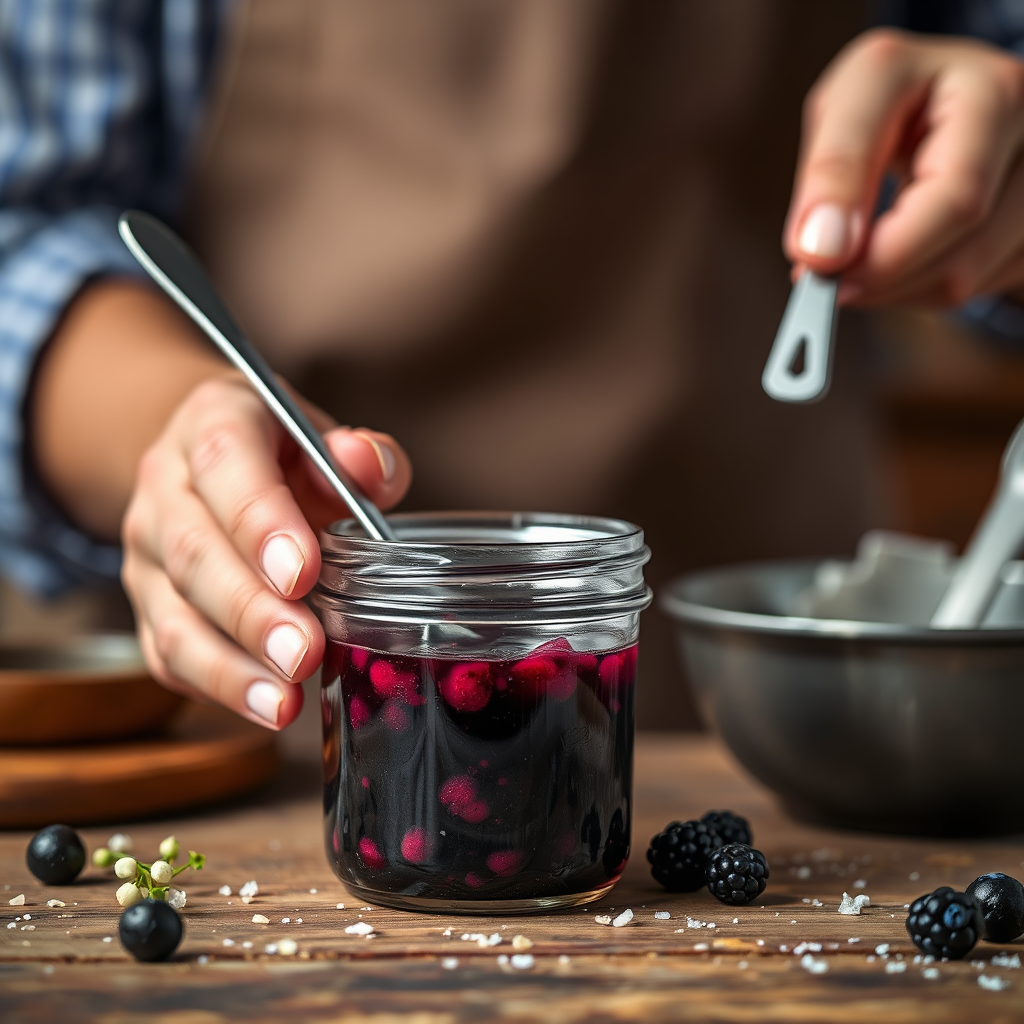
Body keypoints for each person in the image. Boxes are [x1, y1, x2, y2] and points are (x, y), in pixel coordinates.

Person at [4, 1, 1024, 731]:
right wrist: (176, 422)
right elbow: (24, 228)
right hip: (236, 714)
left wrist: (988, 179)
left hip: (768, 707)